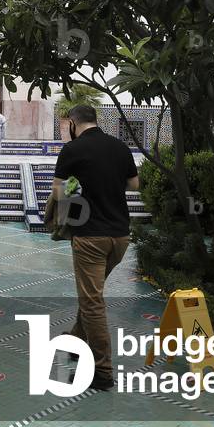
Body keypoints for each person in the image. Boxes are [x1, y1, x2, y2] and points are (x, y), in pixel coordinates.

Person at [52, 104, 139, 391]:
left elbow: (57, 192)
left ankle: (101, 371)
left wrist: (80, 190)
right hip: (121, 237)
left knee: (92, 302)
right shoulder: (119, 146)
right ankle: (76, 341)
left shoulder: (72, 150)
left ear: (73, 124)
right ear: (95, 120)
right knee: (92, 292)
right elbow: (135, 184)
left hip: (90, 237)